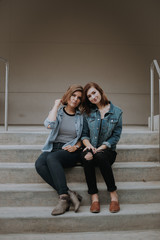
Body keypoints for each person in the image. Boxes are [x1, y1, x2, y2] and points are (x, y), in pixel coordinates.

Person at [35, 84, 83, 216]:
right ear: (68, 95)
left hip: (71, 150)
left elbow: (84, 135)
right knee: (39, 164)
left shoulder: (81, 116)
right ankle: (70, 193)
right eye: (73, 95)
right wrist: (56, 106)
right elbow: (49, 125)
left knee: (52, 158)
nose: (75, 99)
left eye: (79, 98)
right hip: (53, 148)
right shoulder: (58, 112)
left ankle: (63, 198)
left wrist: (76, 146)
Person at [81, 82, 122, 214]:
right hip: (90, 147)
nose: (93, 97)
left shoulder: (117, 112)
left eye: (94, 93)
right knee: (87, 157)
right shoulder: (87, 113)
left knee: (100, 155)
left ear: (100, 91)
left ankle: (113, 195)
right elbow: (84, 134)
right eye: (89, 96)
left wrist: (102, 147)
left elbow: (115, 136)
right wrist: (90, 146)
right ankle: (94, 198)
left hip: (107, 150)